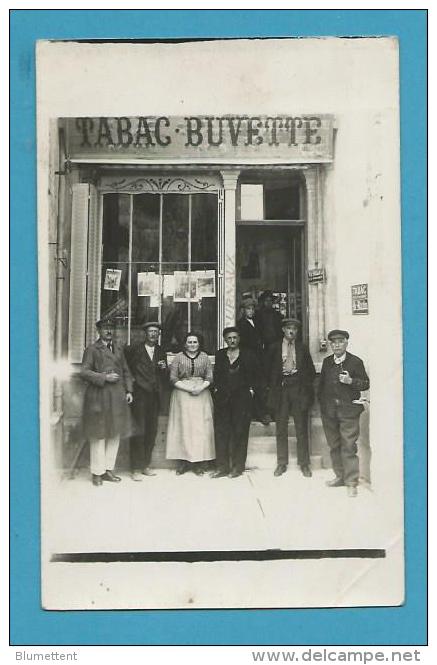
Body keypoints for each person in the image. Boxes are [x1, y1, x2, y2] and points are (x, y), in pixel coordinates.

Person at [80, 319, 133, 486]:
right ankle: (97, 472)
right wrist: (104, 377)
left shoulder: (118, 348)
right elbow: (84, 372)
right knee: (99, 433)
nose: (109, 331)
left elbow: (126, 370)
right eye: (105, 328)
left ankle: (109, 469)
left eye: (111, 328)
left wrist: (129, 390)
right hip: (99, 396)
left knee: (114, 432)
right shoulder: (92, 349)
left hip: (117, 396)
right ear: (98, 330)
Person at [318, 329, 370, 498]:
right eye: (333, 342)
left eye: (340, 341)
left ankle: (351, 482)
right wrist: (324, 407)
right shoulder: (327, 362)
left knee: (348, 446)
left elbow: (365, 384)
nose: (337, 345)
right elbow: (321, 387)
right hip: (330, 412)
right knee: (334, 445)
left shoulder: (355, 362)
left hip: (348, 412)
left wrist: (351, 381)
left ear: (346, 343)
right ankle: (340, 477)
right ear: (331, 345)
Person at [267, 318, 316, 478]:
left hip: (297, 389)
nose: (291, 331)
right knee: (281, 427)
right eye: (288, 328)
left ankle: (304, 464)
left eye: (294, 328)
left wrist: (304, 388)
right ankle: (282, 463)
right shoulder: (274, 347)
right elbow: (267, 369)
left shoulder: (302, 348)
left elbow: (310, 371)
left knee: (301, 427)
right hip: (281, 389)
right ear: (283, 330)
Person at [212, 327, 262, 478]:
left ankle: (237, 467)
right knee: (222, 432)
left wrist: (251, 391)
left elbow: (257, 375)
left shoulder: (248, 354)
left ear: (239, 338)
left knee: (240, 432)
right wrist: (217, 390)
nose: (232, 340)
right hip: (223, 399)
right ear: (225, 340)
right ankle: (222, 467)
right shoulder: (220, 355)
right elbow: (217, 375)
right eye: (229, 338)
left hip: (242, 399)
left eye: (234, 337)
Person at [165, 332, 215, 475]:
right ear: (185, 344)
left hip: (201, 394)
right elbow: (173, 378)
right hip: (182, 395)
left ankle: (198, 462)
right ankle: (184, 462)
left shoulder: (205, 357)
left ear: (199, 344)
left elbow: (209, 377)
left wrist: (200, 387)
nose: (192, 345)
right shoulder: (178, 358)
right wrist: (188, 388)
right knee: (184, 428)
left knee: (200, 429)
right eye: (190, 342)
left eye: (195, 342)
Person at [125, 322, 168, 481]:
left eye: (156, 332)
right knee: (139, 431)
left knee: (151, 430)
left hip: (154, 396)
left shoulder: (161, 351)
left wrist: (164, 368)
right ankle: (135, 467)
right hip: (139, 396)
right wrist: (131, 386)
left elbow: (163, 374)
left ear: (159, 335)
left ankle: (145, 465)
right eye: (150, 332)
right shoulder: (134, 349)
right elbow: (126, 370)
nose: (153, 335)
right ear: (145, 334)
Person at [237, 297, 270, 425]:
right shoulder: (240, 324)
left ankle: (261, 412)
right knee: (249, 385)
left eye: (252, 309)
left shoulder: (257, 322)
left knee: (261, 385)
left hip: (259, 357)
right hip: (248, 357)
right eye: (248, 309)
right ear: (243, 310)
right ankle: (251, 413)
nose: (251, 311)